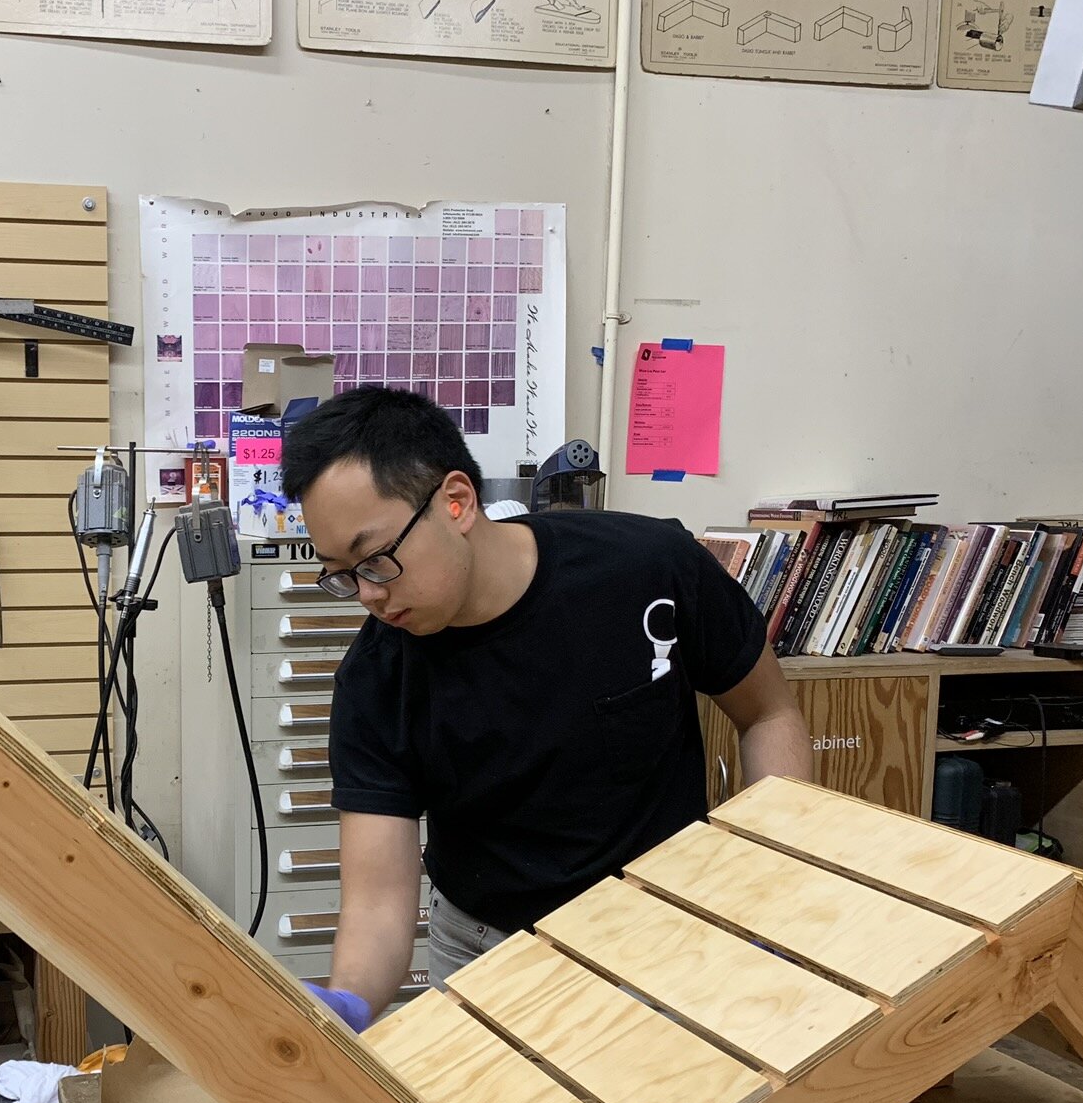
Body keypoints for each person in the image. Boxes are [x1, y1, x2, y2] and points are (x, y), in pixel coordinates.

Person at [280, 387, 812, 1032]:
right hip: (487, 955)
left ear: (456, 501)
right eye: (342, 572)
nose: (367, 594)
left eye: (378, 559)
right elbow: (377, 904)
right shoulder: (376, 679)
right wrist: (348, 1006)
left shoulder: (645, 568)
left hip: (667, 940)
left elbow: (768, 715)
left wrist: (771, 893)